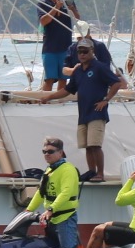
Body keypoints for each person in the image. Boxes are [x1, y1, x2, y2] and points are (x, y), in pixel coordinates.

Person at [48, 37, 122, 181]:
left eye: (85, 51)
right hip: (83, 113)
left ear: (92, 52)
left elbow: (116, 83)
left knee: (95, 145)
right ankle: (91, 172)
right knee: (87, 146)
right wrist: (49, 97)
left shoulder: (99, 67)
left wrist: (106, 100)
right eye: (79, 51)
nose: (82, 54)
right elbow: (68, 90)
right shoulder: (78, 71)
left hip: (97, 113)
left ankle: (100, 173)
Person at [26, 135, 83, 248]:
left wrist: (51, 209)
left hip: (65, 218)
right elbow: (41, 193)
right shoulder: (49, 170)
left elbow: (66, 193)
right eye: (44, 151)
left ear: (61, 152)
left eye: (50, 151)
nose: (47, 154)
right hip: (51, 219)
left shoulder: (68, 169)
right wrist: (28, 210)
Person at [37, 0, 78, 87]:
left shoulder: (69, 2)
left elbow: (78, 20)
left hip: (66, 47)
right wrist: (56, 7)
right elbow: (44, 21)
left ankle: (60, 102)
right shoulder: (43, 3)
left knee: (63, 78)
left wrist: (72, 9)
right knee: (49, 79)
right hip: (50, 48)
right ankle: (46, 102)